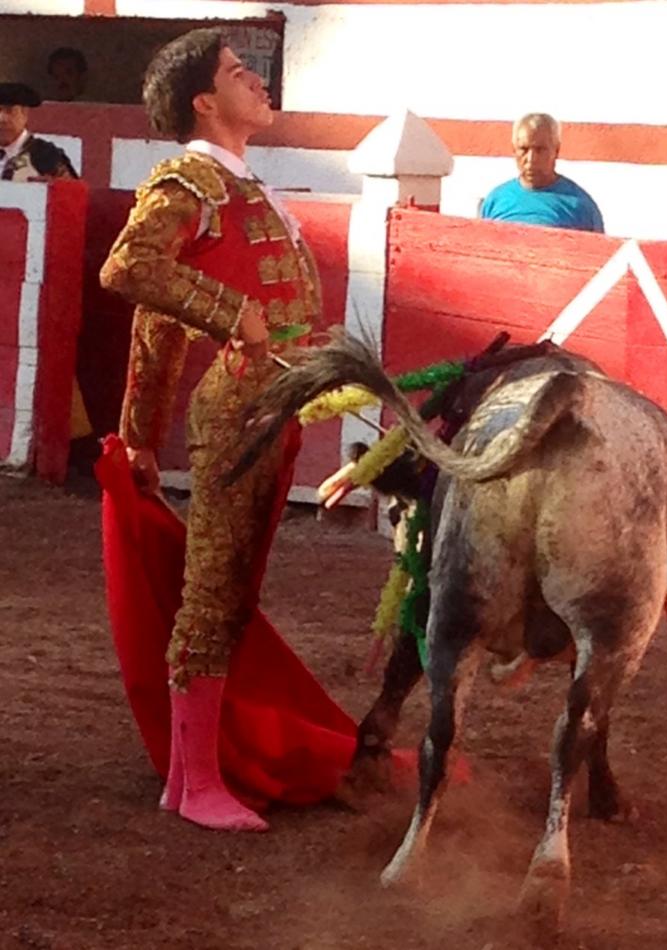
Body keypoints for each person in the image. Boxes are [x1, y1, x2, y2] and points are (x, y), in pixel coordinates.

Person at [100, 28, 321, 832]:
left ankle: (192, 774)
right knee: (214, 593)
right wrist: (240, 317)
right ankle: (195, 784)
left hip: (270, 405)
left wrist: (140, 435)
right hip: (242, 405)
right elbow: (128, 269)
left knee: (229, 592)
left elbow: (156, 326)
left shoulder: (238, 187)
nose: (257, 82)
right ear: (204, 100)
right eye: (238, 73)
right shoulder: (191, 179)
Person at [479, 113, 604, 233]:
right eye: (524, 149)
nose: (531, 159)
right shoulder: (494, 201)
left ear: (556, 150)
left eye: (540, 150)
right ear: (514, 150)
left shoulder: (580, 206)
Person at [0, 83, 78, 181]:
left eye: (9, 111)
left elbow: (73, 191)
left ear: (24, 113)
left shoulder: (45, 155)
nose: (2, 119)